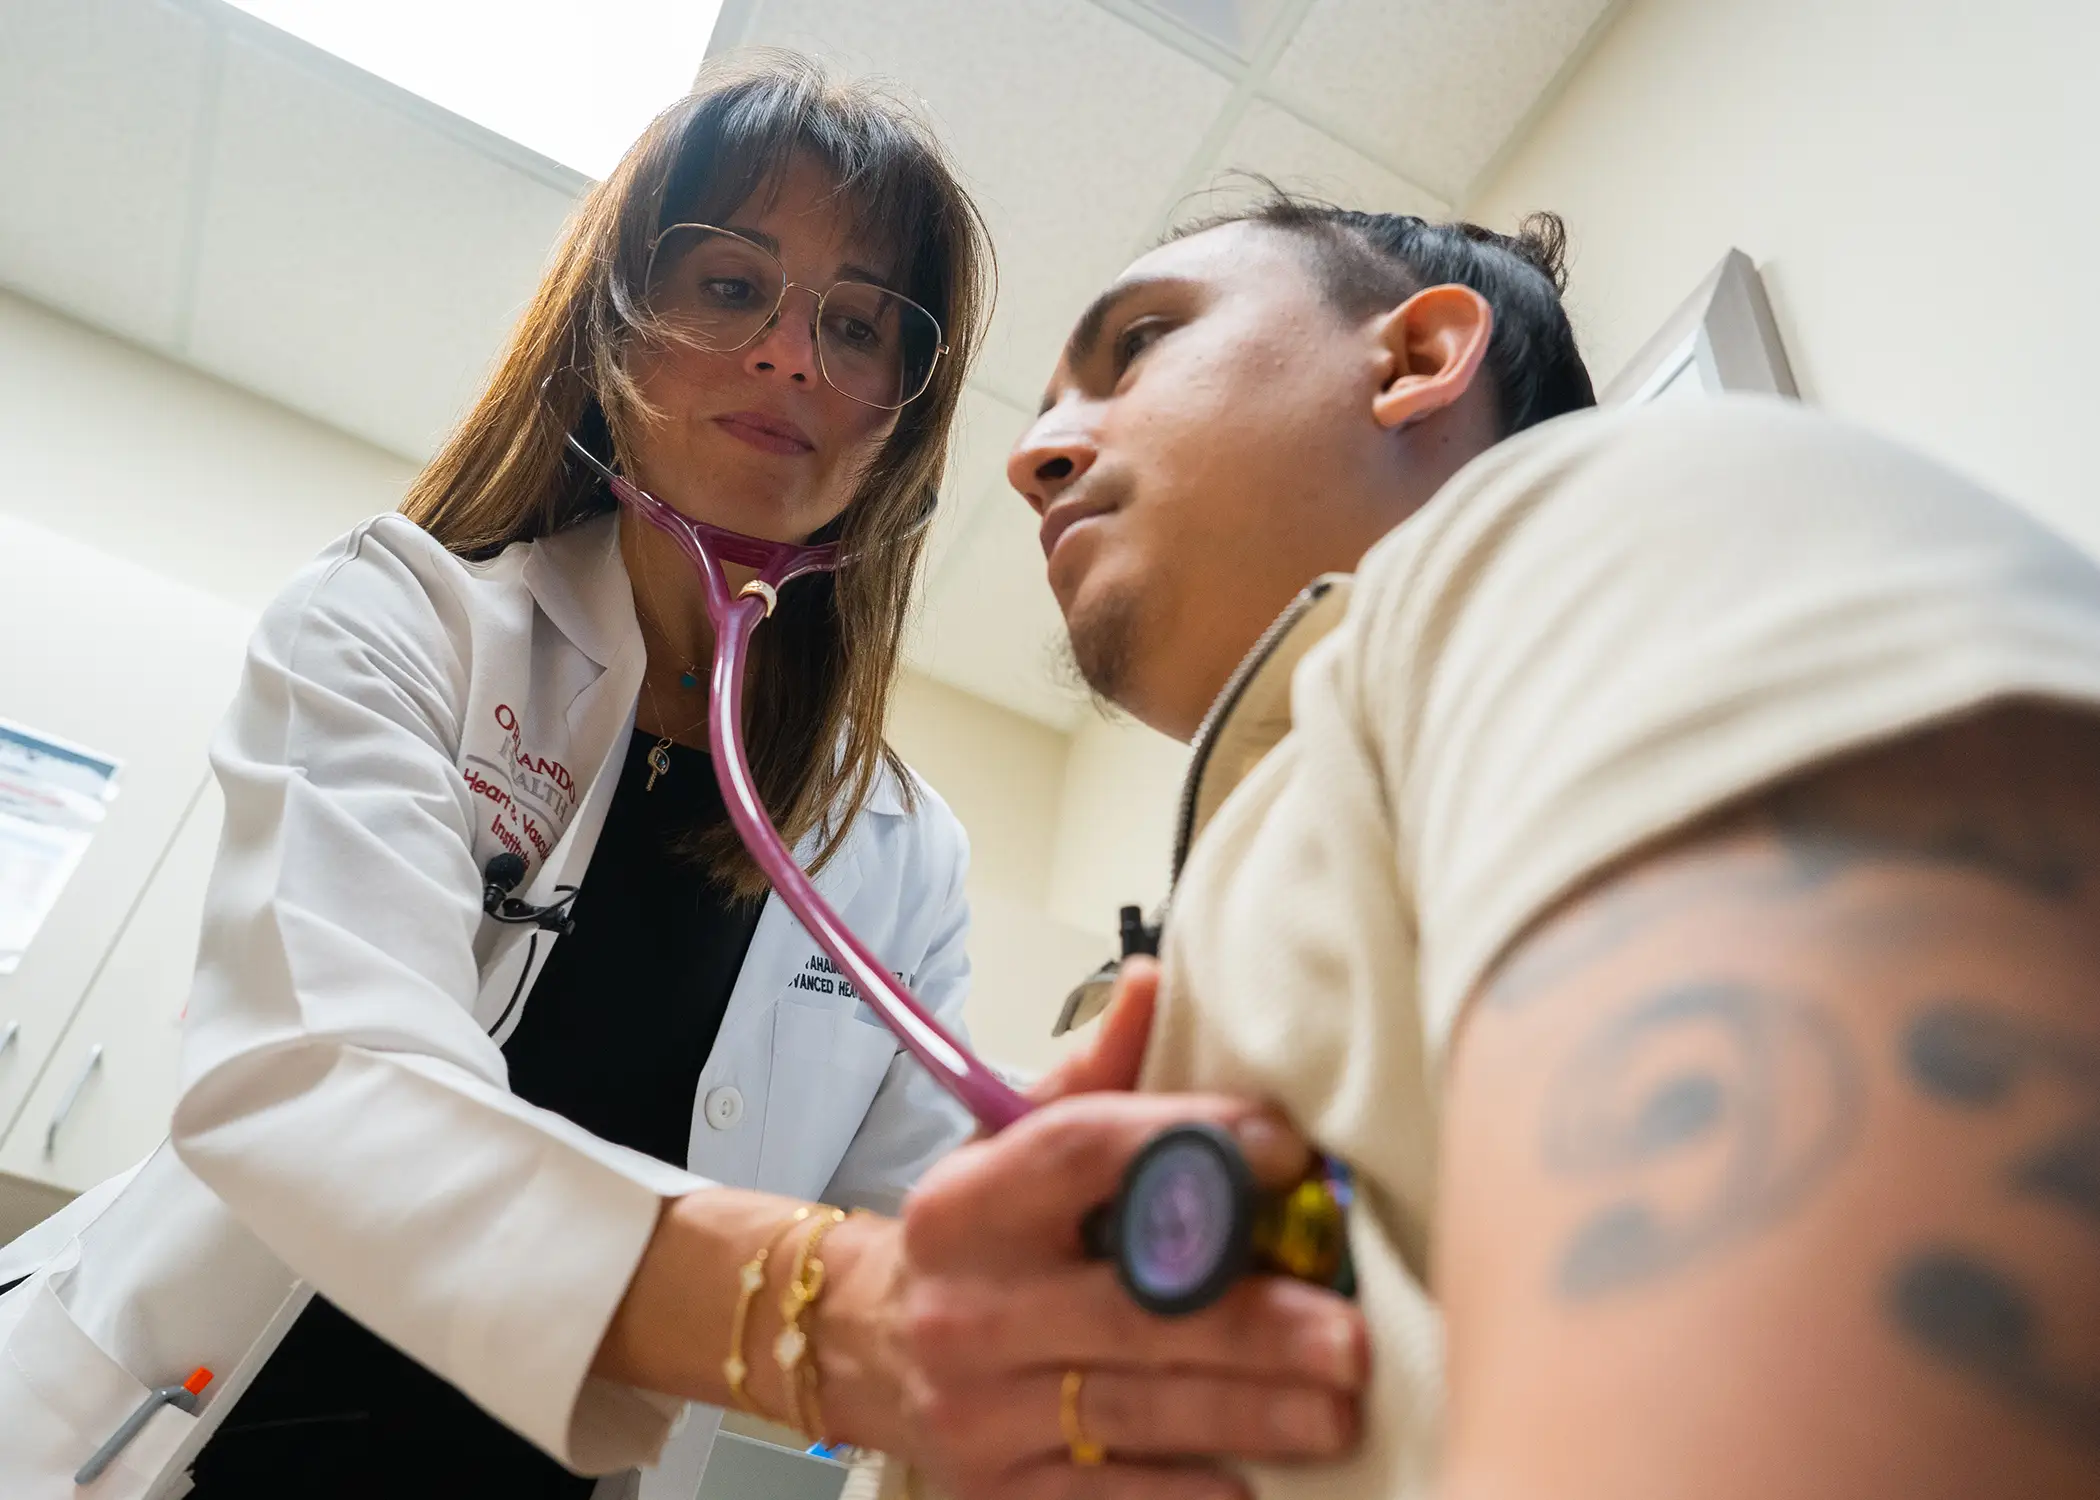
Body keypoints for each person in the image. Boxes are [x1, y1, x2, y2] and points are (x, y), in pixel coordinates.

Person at [0, 64, 1364, 1500]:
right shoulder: (403, 622)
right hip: (161, 1446)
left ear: (900, 420)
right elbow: (319, 1076)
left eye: (857, 325)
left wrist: (1105, 1215)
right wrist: (826, 1320)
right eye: (728, 286)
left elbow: (921, 1221)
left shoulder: (899, 853)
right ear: (610, 331)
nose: (792, 356)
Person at [987, 193, 2100, 1498]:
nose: (1035, 453)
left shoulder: (1607, 522)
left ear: (1413, 360)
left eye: (1144, 344)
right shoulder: (1198, 939)